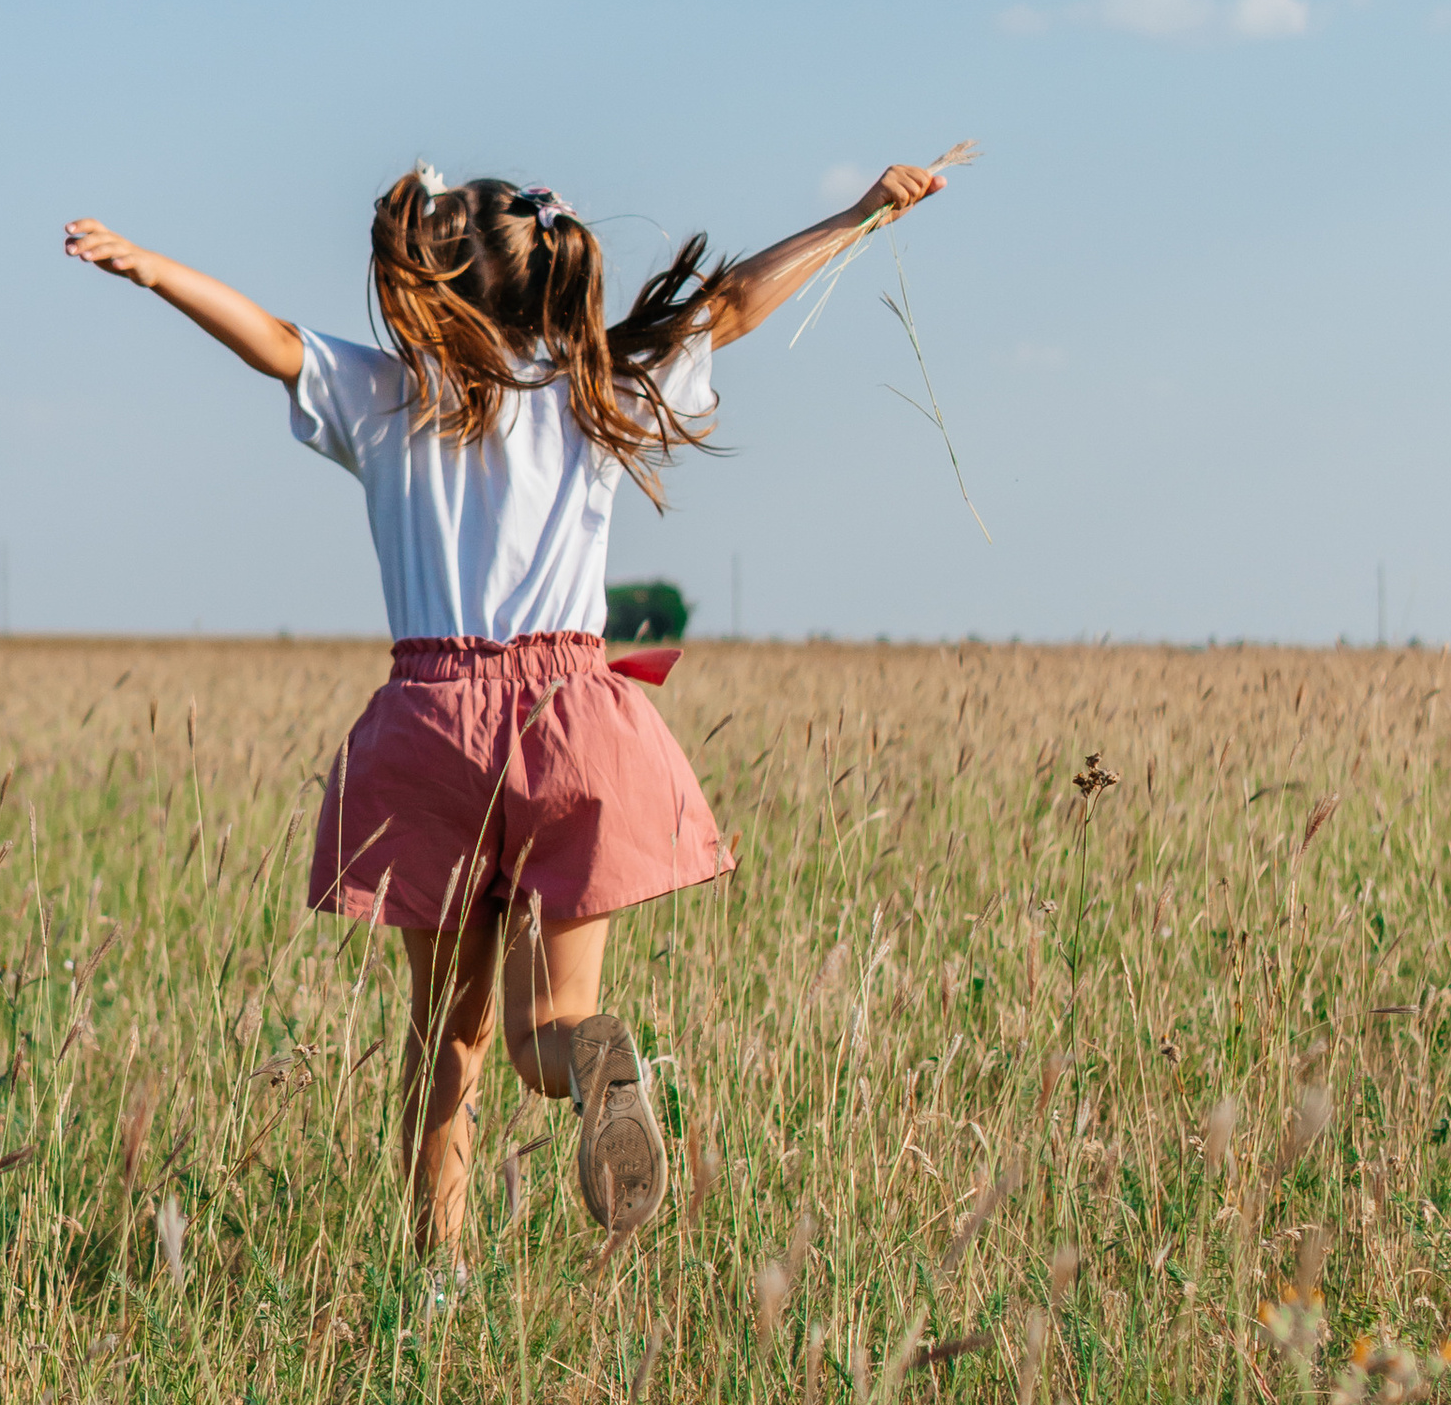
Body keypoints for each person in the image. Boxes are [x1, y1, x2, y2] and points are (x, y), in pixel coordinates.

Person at [63, 157, 951, 1270]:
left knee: (447, 1035)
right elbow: (731, 305)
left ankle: (438, 1281)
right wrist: (859, 216)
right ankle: (593, 1064)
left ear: (441, 273)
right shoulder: (599, 387)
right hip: (577, 720)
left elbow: (274, 342)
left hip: (432, 725)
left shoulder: (392, 393)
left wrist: (154, 271)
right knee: (547, 1028)